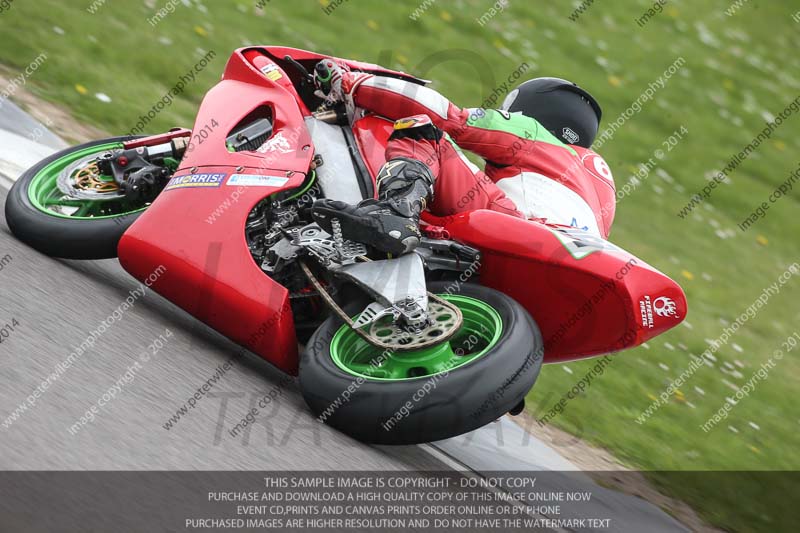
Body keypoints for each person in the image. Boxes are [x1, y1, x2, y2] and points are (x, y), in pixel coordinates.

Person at [310, 59, 617, 255]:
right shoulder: (601, 185)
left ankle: (396, 214)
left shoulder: (533, 133)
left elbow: (450, 117)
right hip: (562, 265)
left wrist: (349, 84)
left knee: (423, 130)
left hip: (520, 228)